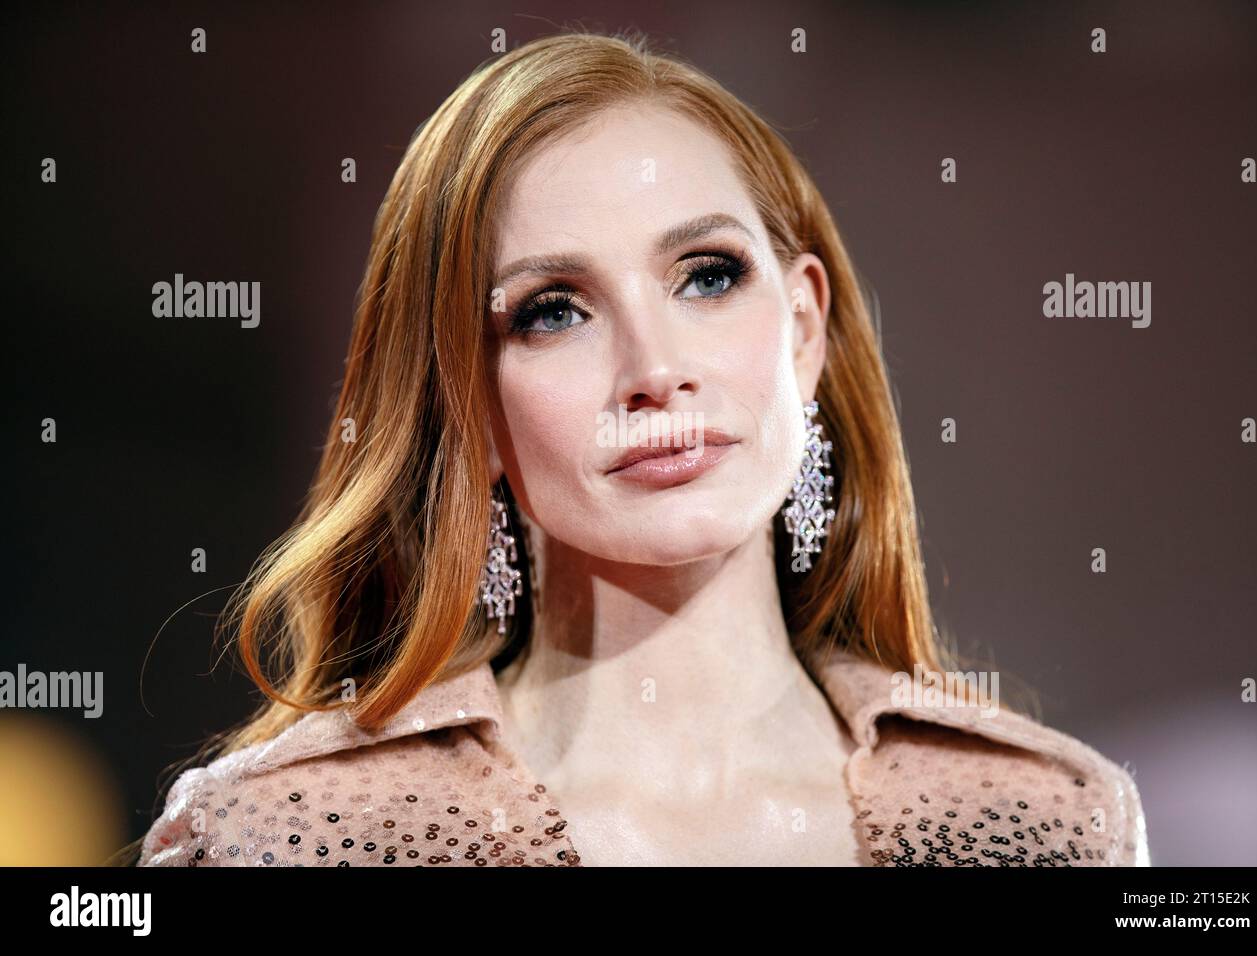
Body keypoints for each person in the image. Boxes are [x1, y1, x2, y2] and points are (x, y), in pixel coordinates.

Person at [133, 30, 1148, 867]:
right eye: (552, 309)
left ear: (802, 329)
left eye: (705, 275)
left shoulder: (1055, 823)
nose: (653, 368)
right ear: (469, 408)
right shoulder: (287, 835)